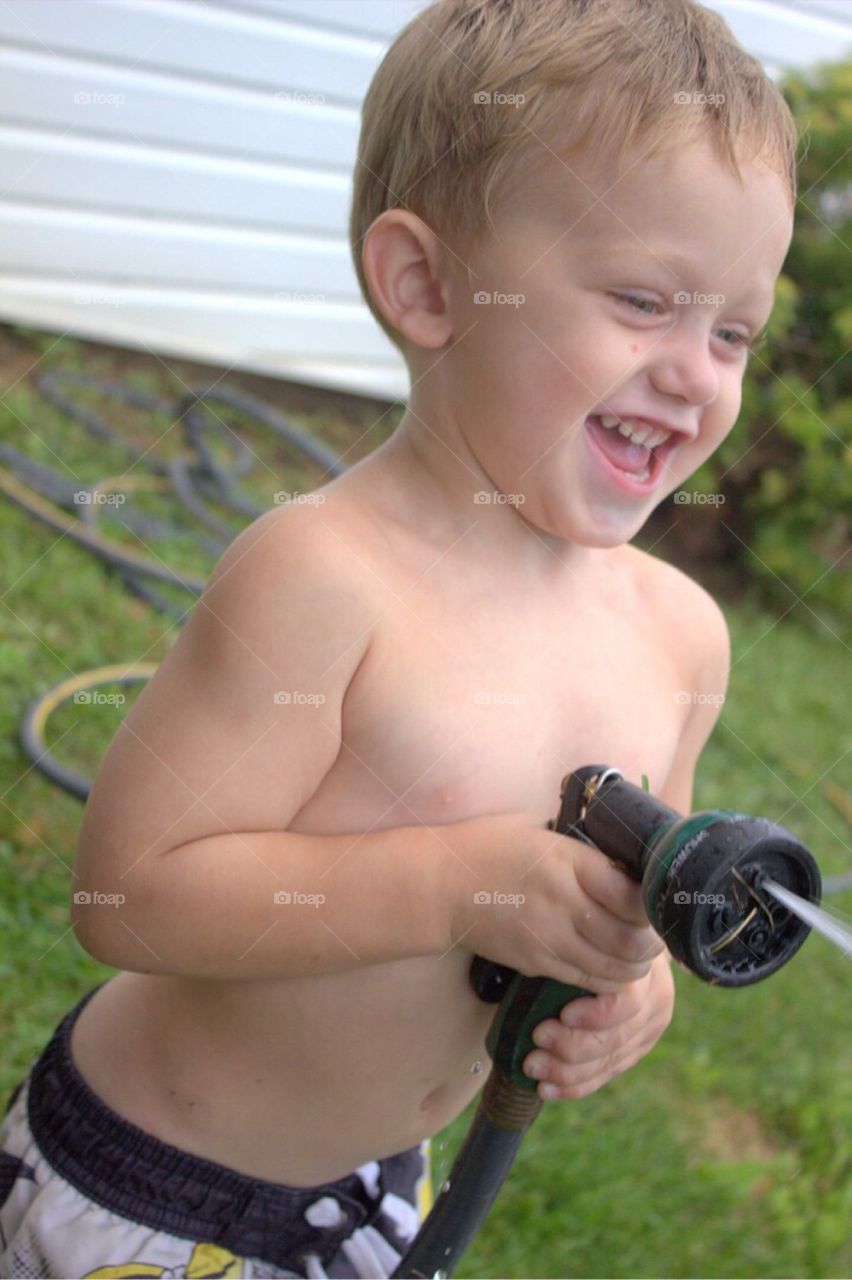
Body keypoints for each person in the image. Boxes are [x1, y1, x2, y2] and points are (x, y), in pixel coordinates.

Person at [0, 0, 797, 1275]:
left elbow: (630, 899)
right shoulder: (323, 580)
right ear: (429, 285)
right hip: (155, 1194)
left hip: (373, 1197)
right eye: (644, 300)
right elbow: (126, 893)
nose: (697, 374)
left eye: (733, 331)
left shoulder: (681, 637)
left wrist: (623, 992)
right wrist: (452, 882)